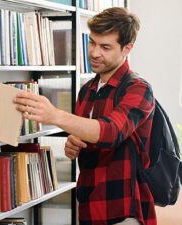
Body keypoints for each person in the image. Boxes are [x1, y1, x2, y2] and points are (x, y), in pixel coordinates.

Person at [14, 7, 157, 225]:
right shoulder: (87, 90)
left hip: (123, 212)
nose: (94, 53)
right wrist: (75, 142)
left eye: (105, 47)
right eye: (92, 43)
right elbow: (92, 135)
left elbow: (111, 132)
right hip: (89, 208)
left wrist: (56, 116)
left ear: (127, 48)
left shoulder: (138, 88)